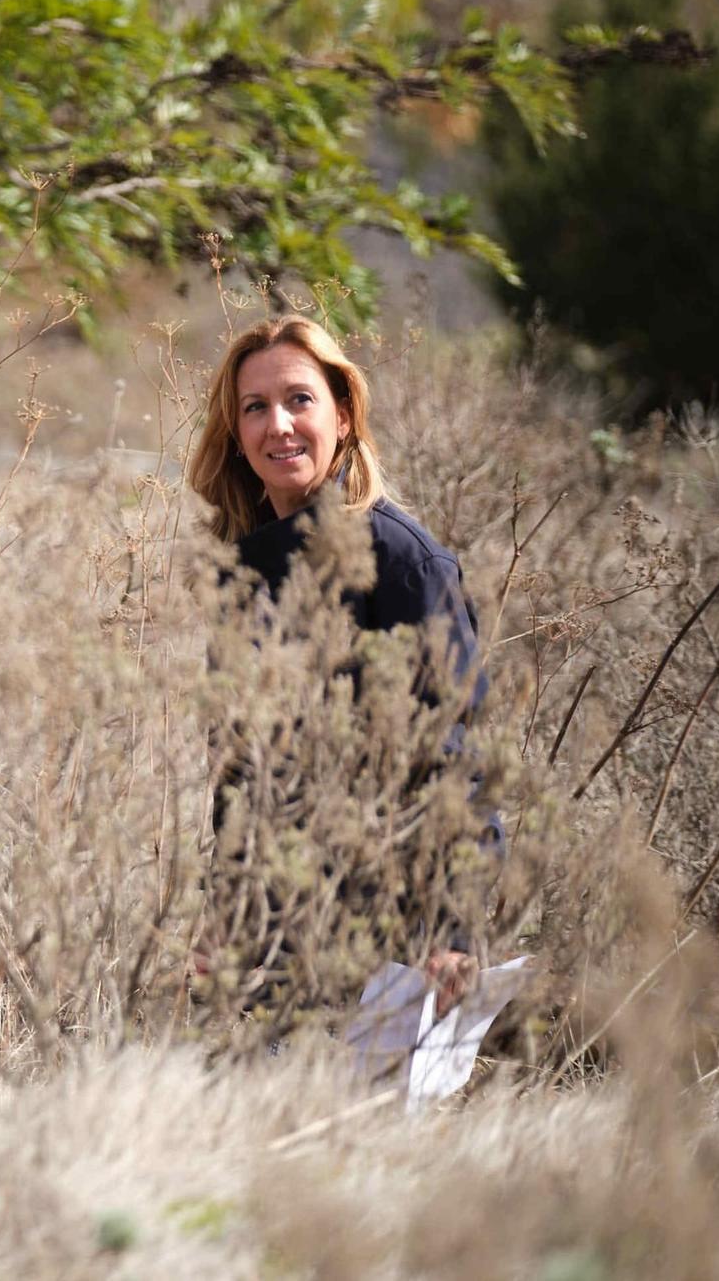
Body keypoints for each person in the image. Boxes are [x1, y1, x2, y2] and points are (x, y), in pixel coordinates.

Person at [187, 314, 493, 1017]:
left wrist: (452, 929)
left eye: (300, 399)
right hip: (273, 932)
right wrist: (227, 919)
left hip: (392, 930)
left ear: (345, 414)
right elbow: (241, 774)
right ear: (236, 434)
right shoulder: (243, 567)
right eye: (255, 408)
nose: (278, 426)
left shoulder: (406, 564)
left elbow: (458, 761)